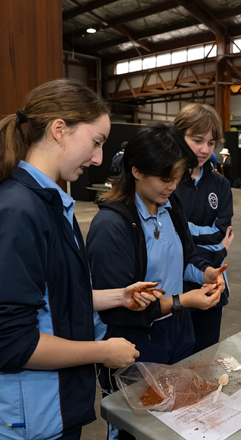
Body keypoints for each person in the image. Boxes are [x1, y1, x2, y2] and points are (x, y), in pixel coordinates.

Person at [0, 79, 161, 440]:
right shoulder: (18, 211)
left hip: (57, 408)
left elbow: (52, 300)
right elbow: (12, 341)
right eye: (96, 142)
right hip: (30, 420)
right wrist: (102, 351)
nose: (99, 158)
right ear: (60, 130)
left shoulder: (53, 203)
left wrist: (119, 296)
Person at [87, 123, 226, 439]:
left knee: (177, 417)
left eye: (178, 178)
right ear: (135, 171)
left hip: (177, 331)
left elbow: (187, 257)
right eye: (166, 178)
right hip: (136, 343)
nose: (173, 186)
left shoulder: (169, 204)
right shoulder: (111, 227)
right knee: (136, 427)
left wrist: (205, 273)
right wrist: (182, 301)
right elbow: (117, 309)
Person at [174, 103, 234, 353]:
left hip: (212, 285)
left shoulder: (220, 184)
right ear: (179, 135)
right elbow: (169, 233)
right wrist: (217, 248)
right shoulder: (169, 180)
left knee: (206, 356)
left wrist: (185, 230)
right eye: (197, 140)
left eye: (211, 143)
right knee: (174, 364)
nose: (204, 149)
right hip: (174, 286)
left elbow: (222, 232)